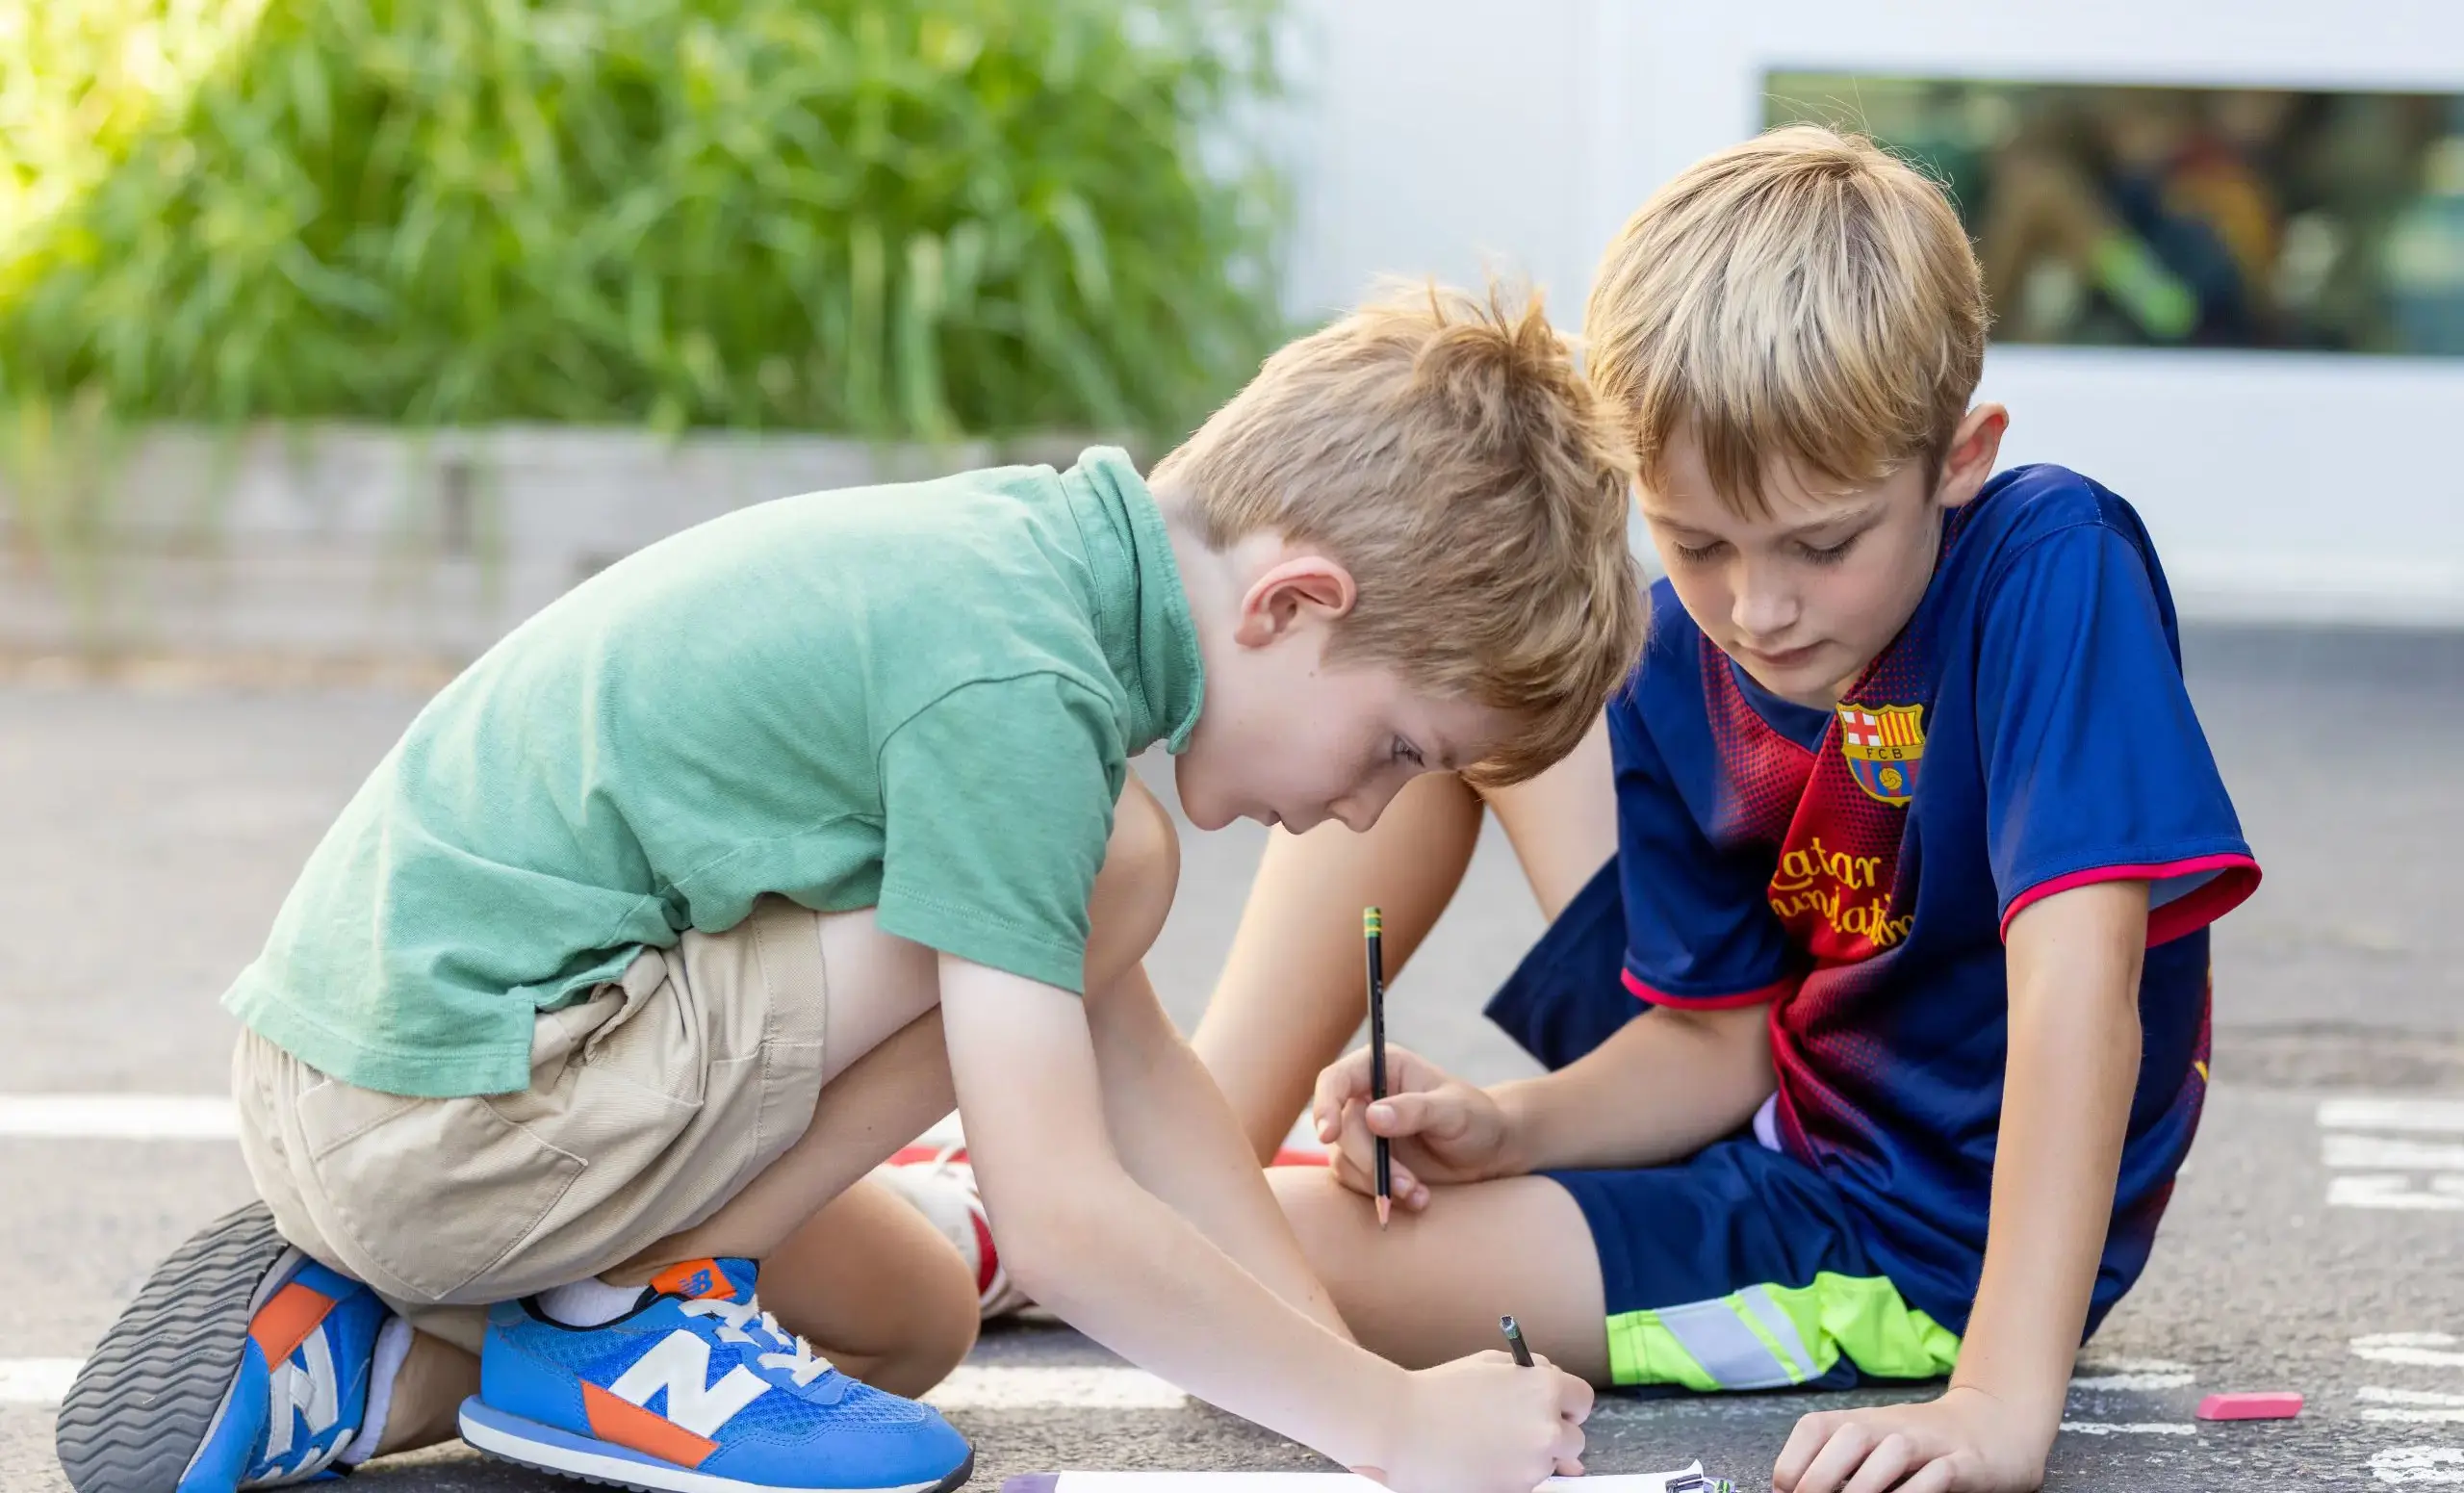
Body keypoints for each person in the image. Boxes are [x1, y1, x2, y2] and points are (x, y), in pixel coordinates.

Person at [57, 283, 1643, 1493]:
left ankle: (360, 1346)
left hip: (413, 1093)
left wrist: (1328, 1361)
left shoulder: (1038, 575)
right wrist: (1395, 1430)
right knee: (1118, 868)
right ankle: (621, 1314)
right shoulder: (1026, 695)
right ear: (1296, 602)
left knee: (906, 1323)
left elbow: (1138, 1075)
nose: (1365, 804)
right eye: (1392, 747)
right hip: (456, 1111)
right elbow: (1066, 1214)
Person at [1200, 127, 2261, 1493]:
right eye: (1695, 542)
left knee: (1242, 1256)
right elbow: (1719, 1045)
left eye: (1822, 544)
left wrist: (1994, 1395)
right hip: (1772, 1119)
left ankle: (1056, 1209)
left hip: (1900, 1244)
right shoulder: (1678, 652)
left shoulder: (2051, 564)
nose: (1757, 608)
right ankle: (1181, 1126)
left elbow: (2082, 993)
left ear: (1959, 454)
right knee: (1462, 696)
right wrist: (1514, 1123)